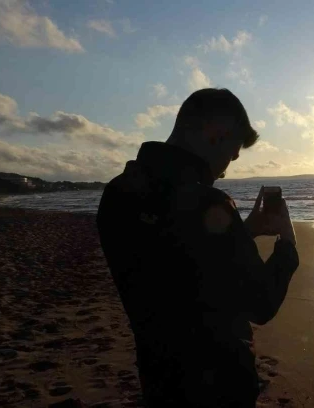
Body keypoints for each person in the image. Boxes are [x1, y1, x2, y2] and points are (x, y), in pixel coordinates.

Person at [97, 88, 299, 407]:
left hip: (159, 377)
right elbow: (261, 303)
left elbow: (180, 259)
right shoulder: (205, 201)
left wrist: (244, 230)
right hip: (220, 384)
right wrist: (287, 242)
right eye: (231, 155)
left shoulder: (118, 193)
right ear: (214, 135)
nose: (225, 170)